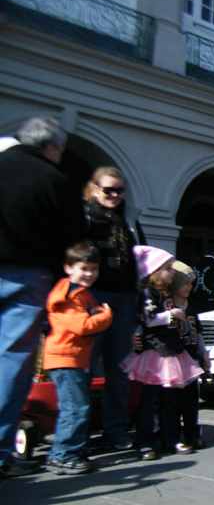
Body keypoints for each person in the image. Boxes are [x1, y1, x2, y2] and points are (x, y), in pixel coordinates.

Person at [0, 116, 84, 479]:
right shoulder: (56, 181)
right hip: (29, 276)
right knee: (11, 365)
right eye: (61, 151)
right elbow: (75, 244)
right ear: (50, 147)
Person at [122, 246, 203, 461]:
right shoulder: (149, 293)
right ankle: (144, 442)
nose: (173, 272)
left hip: (171, 351)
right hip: (156, 353)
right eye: (168, 268)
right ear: (155, 272)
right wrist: (170, 315)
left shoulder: (163, 293)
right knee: (149, 402)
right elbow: (147, 319)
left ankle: (171, 439)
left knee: (170, 401)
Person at [85, 166, 146, 450]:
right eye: (108, 189)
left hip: (124, 298)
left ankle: (116, 430)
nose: (114, 195)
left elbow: (141, 255)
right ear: (95, 187)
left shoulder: (129, 219)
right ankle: (79, 434)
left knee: (119, 369)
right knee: (85, 367)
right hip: (92, 298)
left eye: (119, 190)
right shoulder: (83, 217)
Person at [42, 242, 113, 475]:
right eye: (84, 268)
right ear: (68, 268)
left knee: (77, 406)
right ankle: (63, 455)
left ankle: (72, 449)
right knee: (76, 408)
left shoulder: (78, 292)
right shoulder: (72, 295)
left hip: (72, 358)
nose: (90, 274)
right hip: (66, 358)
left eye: (94, 269)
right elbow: (82, 326)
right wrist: (106, 316)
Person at [170, 261, 211, 449]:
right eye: (186, 283)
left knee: (191, 401)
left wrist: (204, 353)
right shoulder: (167, 305)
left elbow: (198, 332)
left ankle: (193, 434)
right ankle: (173, 435)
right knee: (173, 402)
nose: (190, 287)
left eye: (191, 283)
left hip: (192, 361)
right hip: (174, 361)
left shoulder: (192, 306)